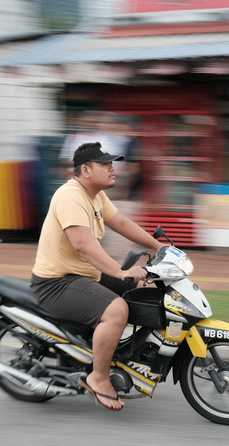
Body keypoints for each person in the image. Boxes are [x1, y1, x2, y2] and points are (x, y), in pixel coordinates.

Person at [30, 142, 163, 412]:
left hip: (81, 276)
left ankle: (121, 356)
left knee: (139, 287)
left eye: (112, 163)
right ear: (86, 170)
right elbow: (83, 244)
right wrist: (120, 271)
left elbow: (123, 224)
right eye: (105, 164)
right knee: (117, 310)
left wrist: (160, 247)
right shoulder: (70, 196)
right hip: (55, 283)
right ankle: (99, 376)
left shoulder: (95, 196)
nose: (112, 168)